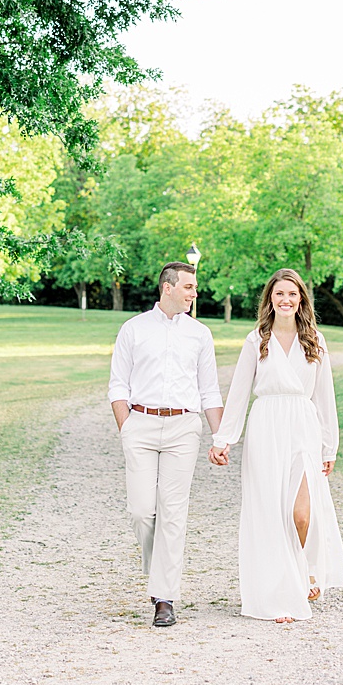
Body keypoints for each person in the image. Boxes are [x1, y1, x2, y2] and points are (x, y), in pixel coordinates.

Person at [210, 268, 343, 623]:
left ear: (301, 299)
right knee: (269, 513)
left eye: (292, 294)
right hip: (266, 427)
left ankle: (305, 570)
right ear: (270, 299)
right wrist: (224, 438)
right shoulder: (257, 339)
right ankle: (282, 592)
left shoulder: (314, 338)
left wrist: (328, 447)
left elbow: (325, 396)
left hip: (303, 427)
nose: (286, 300)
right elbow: (239, 393)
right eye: (279, 294)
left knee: (302, 512)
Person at [109, 260, 225, 628]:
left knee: (173, 513)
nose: (194, 293)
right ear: (168, 287)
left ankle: (164, 598)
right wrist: (126, 427)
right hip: (140, 425)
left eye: (194, 287)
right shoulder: (133, 329)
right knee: (141, 511)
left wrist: (219, 437)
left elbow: (209, 390)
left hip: (183, 428)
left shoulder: (200, 334)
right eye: (189, 287)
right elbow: (117, 385)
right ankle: (159, 568)